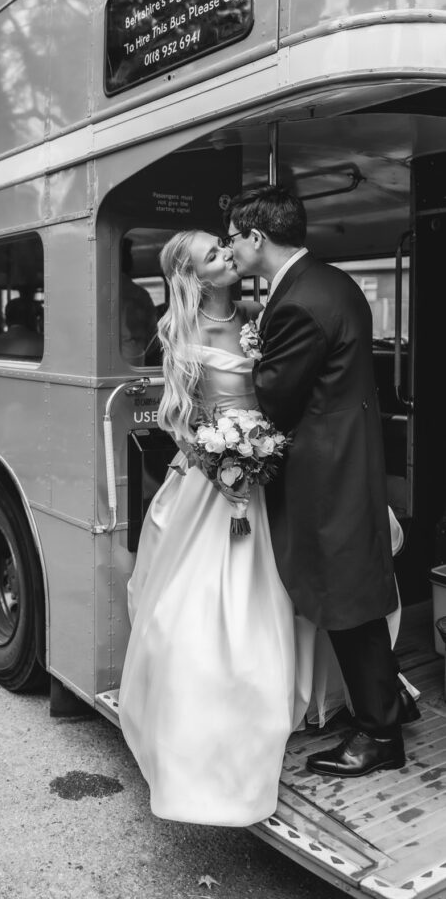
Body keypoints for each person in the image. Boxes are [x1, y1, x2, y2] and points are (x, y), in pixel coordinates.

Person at [118, 229, 314, 826]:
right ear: (193, 277)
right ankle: (197, 729)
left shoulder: (258, 316)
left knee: (272, 594)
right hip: (213, 482)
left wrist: (259, 452)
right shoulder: (181, 335)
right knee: (200, 605)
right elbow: (176, 421)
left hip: (264, 472)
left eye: (225, 248)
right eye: (213, 254)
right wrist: (220, 458)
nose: (228, 255)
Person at [225, 185, 416, 778]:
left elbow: (278, 398)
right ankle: (389, 702)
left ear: (257, 238)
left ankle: (379, 735)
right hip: (351, 458)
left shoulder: (297, 303)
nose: (231, 246)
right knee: (355, 585)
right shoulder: (334, 282)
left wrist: (249, 358)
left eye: (234, 236)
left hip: (324, 471)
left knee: (344, 596)